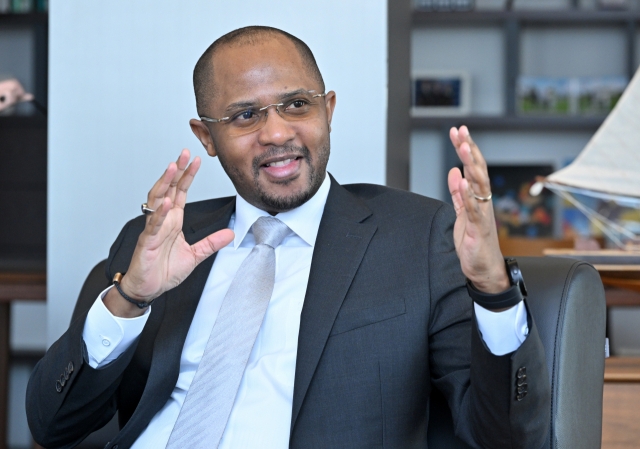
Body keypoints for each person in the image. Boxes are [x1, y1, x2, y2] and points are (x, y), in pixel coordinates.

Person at [27, 26, 549, 449]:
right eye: (246, 115)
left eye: (297, 104)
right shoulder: (163, 240)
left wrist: (492, 289)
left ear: (329, 109)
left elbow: (503, 436)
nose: (277, 133)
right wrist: (130, 298)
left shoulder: (417, 236)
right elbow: (54, 426)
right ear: (206, 137)